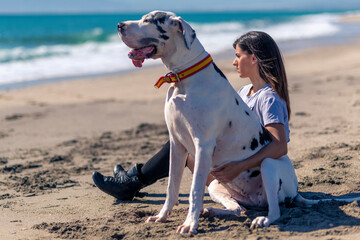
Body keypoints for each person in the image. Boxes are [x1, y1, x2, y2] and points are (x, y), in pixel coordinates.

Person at [92, 31, 291, 201]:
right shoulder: (244, 91)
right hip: (231, 169)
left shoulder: (268, 99)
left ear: (254, 58)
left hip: (249, 179)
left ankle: (130, 183)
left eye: (238, 56)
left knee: (182, 146)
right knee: (183, 138)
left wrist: (238, 167)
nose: (234, 61)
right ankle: (131, 179)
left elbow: (279, 146)